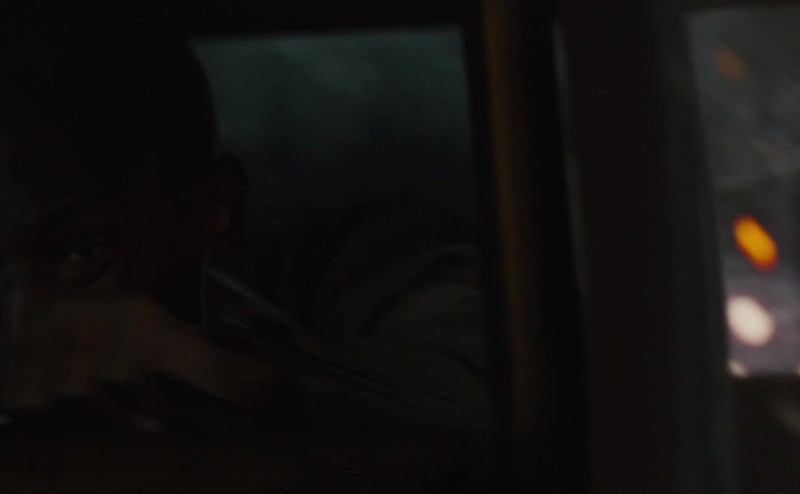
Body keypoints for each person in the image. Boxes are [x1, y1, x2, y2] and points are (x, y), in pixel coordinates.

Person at [0, 13, 489, 436]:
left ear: (213, 209)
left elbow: (490, 392)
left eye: (82, 251)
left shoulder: (362, 264)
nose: (23, 324)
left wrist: (225, 374)